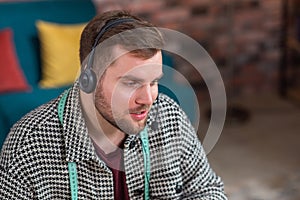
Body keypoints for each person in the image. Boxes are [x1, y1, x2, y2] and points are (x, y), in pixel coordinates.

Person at [0, 10, 227, 199]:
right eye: (131, 83)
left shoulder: (169, 115)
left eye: (154, 81)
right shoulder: (27, 145)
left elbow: (207, 190)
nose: (148, 99)